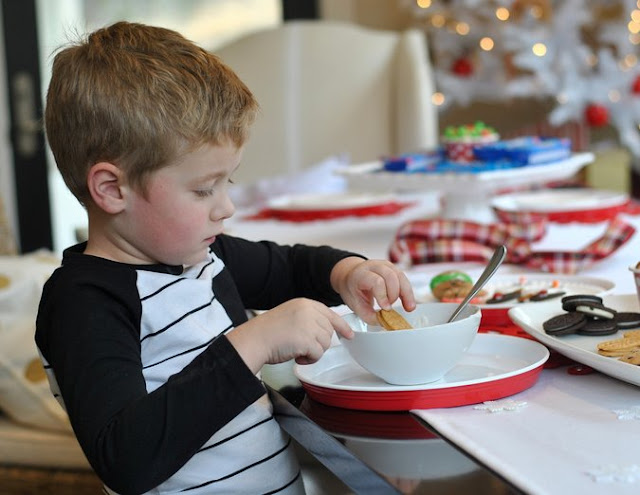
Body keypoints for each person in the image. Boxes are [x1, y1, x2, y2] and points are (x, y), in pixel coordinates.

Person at [36, 21, 415, 495]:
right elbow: (125, 456)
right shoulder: (84, 302)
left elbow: (290, 266)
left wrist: (350, 272)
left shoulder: (199, 256)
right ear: (113, 189)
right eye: (203, 189)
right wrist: (253, 342)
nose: (226, 206)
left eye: (227, 182)